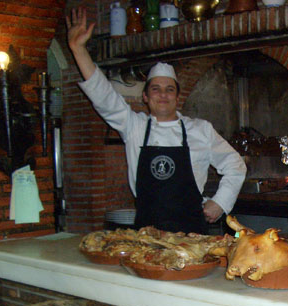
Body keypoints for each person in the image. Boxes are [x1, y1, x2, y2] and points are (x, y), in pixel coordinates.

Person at [66, 8, 246, 234]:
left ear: (177, 97)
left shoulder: (200, 130)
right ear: (145, 97)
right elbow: (103, 96)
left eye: (169, 89)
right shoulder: (134, 126)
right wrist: (78, 49)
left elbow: (235, 164)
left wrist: (221, 201)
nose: (163, 95)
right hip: (146, 238)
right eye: (156, 89)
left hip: (192, 237)